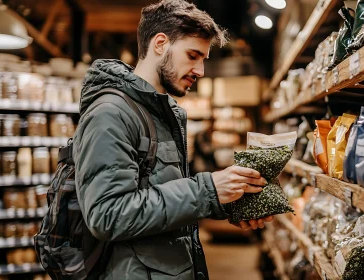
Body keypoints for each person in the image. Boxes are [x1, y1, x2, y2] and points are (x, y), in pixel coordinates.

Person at [72, 1, 273, 279]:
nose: (200, 71)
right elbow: (107, 215)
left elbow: (160, 196)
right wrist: (208, 191)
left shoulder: (165, 114)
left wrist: (226, 203)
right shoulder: (110, 114)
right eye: (193, 56)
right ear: (160, 44)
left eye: (203, 59)